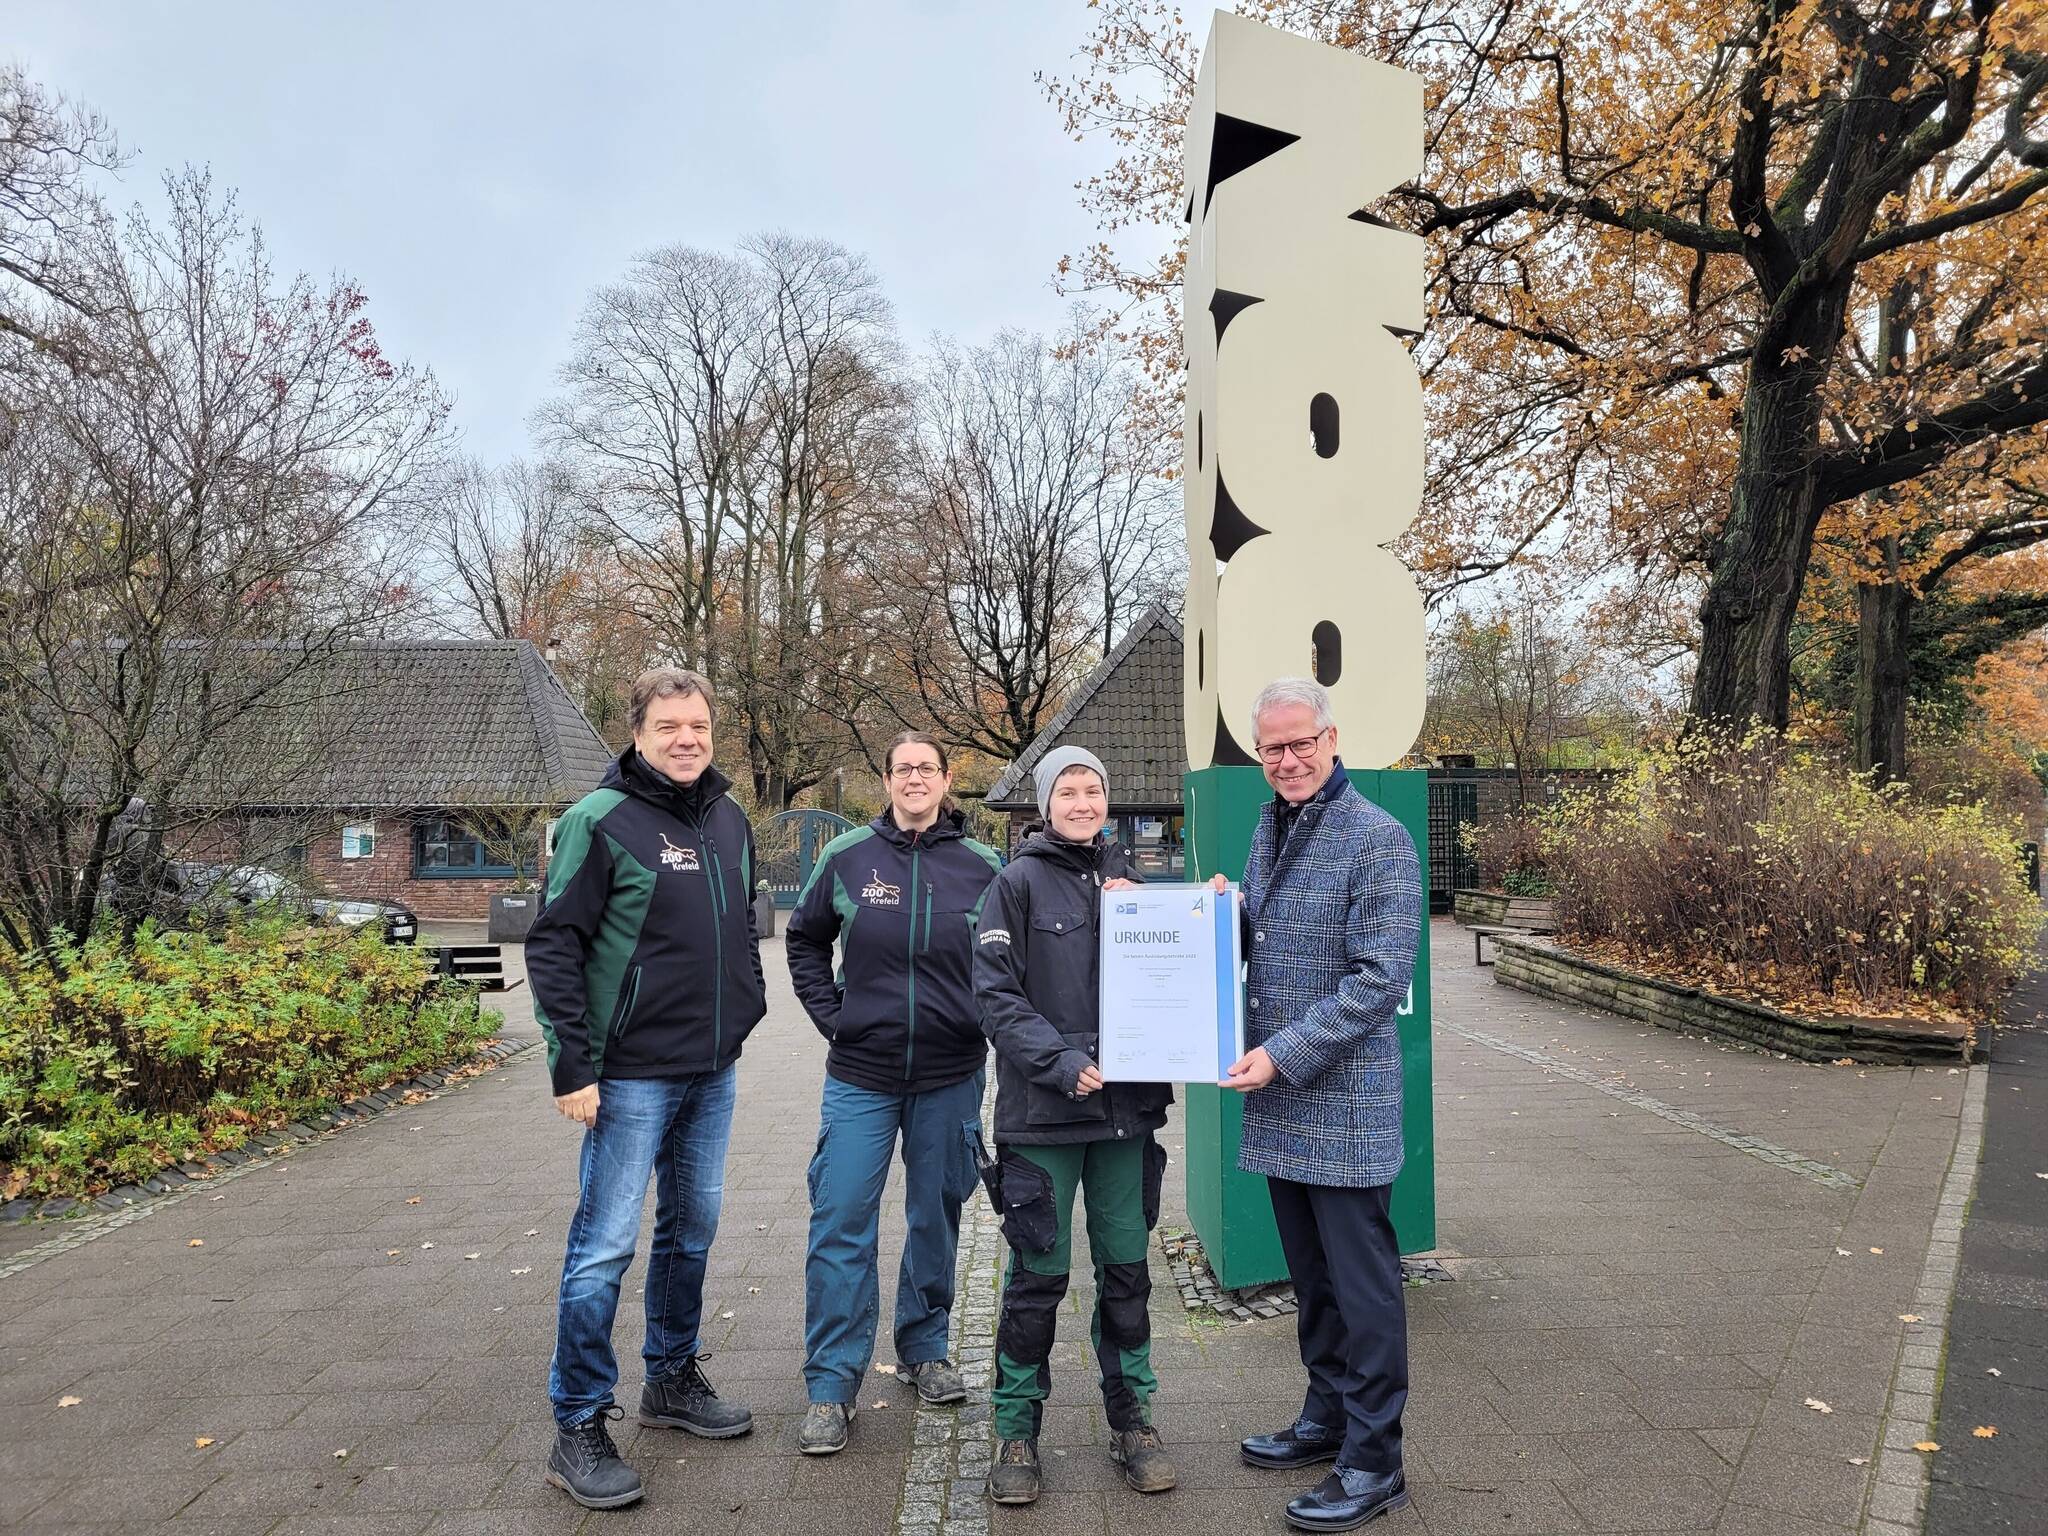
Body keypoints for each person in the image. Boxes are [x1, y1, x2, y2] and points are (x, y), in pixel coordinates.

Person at [526, 667, 768, 1511]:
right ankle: (579, 1422)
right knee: (603, 1247)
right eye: (668, 726)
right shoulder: (598, 821)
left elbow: (740, 923)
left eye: (698, 724)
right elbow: (552, 945)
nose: (686, 739)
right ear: (637, 732)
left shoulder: (729, 819)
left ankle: (670, 1378)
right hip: (626, 1077)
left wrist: (747, 1005)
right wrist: (572, 1067)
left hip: (713, 1069)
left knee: (692, 1229)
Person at [1218, 677, 1423, 1533]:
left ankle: (1376, 1461)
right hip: (1284, 1101)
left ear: (1332, 739)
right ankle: (1327, 1417)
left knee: (1363, 1288)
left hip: (1342, 1105)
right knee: (1312, 1280)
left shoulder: (1379, 838)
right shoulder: (1272, 826)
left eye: (1302, 743)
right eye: (1274, 748)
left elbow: (1380, 980)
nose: (1289, 759)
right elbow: (1267, 945)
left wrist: (1282, 1055)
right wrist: (1211, 917)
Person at [784, 731, 1004, 1454]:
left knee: (936, 1214)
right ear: (888, 780)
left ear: (947, 781)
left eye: (927, 769)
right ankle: (831, 1385)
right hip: (861, 1078)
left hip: (950, 1076)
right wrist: (835, 1019)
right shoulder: (846, 857)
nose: (915, 778)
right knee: (841, 1218)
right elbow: (805, 940)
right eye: (902, 768)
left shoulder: (983, 868)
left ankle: (923, 1348)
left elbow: (1014, 956)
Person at [972, 746, 1177, 1505]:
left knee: (1127, 1275)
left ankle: (1133, 1420)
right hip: (1043, 1117)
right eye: (1069, 790)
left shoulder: (1135, 887)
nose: (1083, 801)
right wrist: (1058, 1062)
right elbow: (994, 996)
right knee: (1038, 1280)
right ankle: (1017, 1427)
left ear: (1107, 800)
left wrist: (1212, 912)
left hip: (1125, 1119)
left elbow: (1185, 975)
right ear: (1045, 801)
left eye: (1094, 789)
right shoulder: (1015, 885)